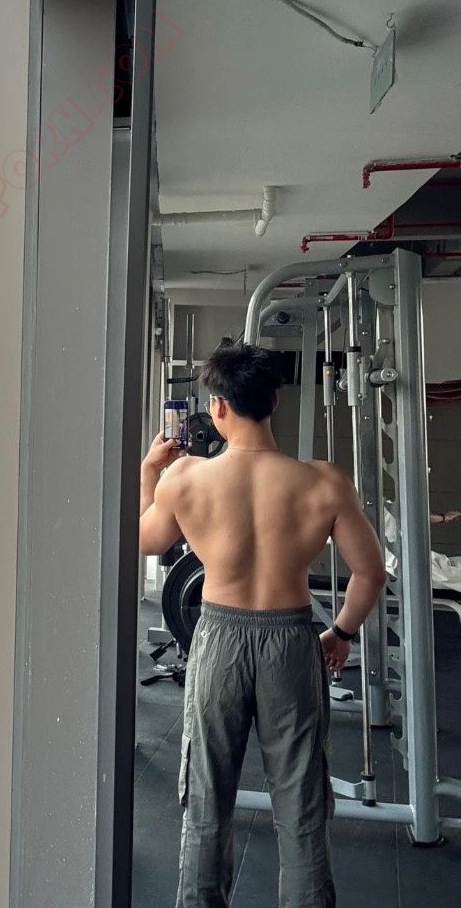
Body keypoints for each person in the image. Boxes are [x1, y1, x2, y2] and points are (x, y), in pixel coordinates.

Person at [139, 343, 387, 908]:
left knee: (207, 799)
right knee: (301, 803)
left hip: (218, 640)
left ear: (217, 406)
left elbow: (147, 540)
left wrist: (149, 472)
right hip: (292, 641)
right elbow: (370, 573)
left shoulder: (185, 477)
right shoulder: (323, 482)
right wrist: (341, 633)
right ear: (275, 401)